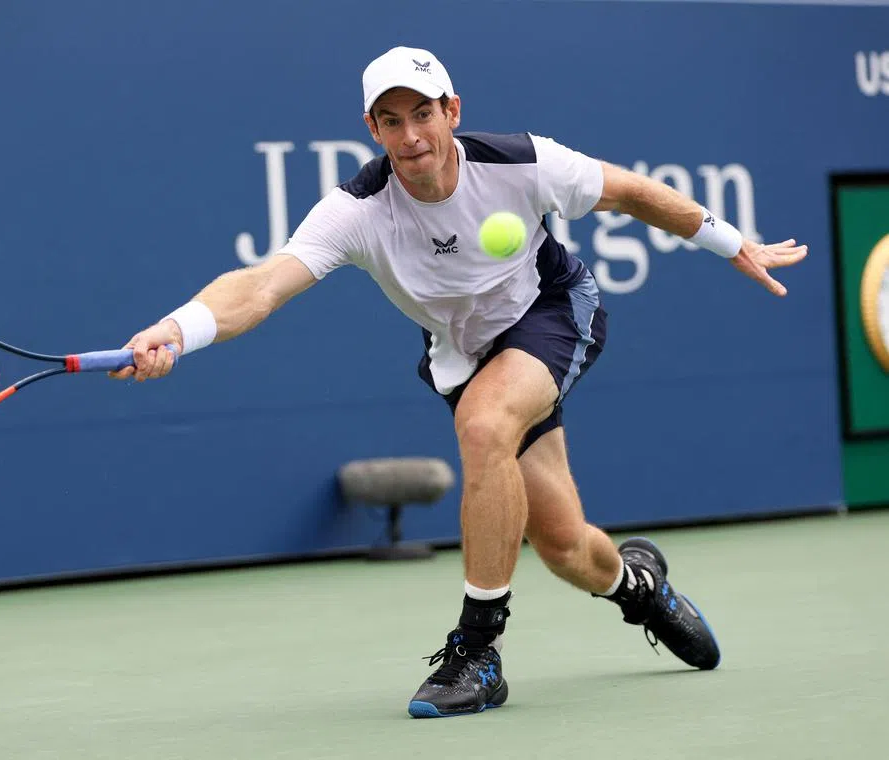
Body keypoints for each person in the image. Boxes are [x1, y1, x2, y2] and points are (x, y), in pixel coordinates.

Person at [110, 46, 807, 718]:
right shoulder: (358, 209)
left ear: (452, 110)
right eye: (391, 121)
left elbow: (627, 192)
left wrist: (728, 241)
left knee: (483, 426)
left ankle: (479, 651)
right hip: (465, 355)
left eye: (423, 113)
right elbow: (260, 287)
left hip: (552, 313)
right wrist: (177, 329)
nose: (411, 136)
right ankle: (640, 588)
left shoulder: (520, 161)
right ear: (372, 129)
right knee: (564, 547)